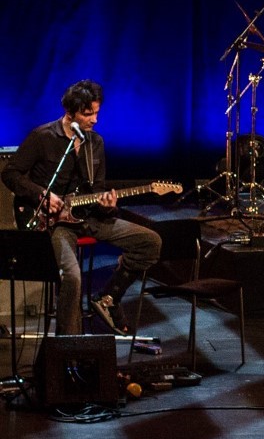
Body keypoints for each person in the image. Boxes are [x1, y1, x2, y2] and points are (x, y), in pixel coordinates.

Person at [1, 80, 162, 335]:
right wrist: (42, 194)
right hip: (54, 223)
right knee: (72, 277)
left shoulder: (95, 143)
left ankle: (109, 298)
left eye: (97, 112)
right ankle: (68, 344)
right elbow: (10, 173)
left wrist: (107, 206)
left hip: (88, 218)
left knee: (150, 241)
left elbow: (97, 190)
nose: (95, 119)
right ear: (70, 113)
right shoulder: (43, 137)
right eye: (88, 114)